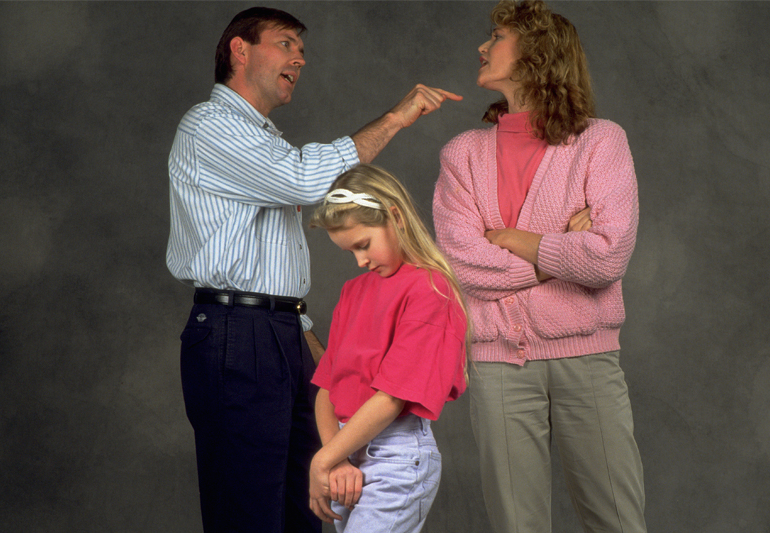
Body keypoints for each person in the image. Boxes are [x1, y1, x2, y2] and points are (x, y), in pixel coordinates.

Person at [166, 7, 461, 533]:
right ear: (240, 49)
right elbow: (306, 182)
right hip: (237, 334)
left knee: (306, 504)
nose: (299, 58)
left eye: (301, 49)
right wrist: (394, 119)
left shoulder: (263, 138)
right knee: (249, 510)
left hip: (279, 332)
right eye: (285, 43)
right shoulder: (210, 125)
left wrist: (304, 337)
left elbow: (270, 259)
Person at [432, 1, 647, 532]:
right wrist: (555, 256)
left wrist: (511, 238)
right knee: (516, 525)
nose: (482, 46)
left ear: (538, 54)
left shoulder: (601, 141)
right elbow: (464, 265)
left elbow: (608, 255)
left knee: (616, 521)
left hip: (589, 360)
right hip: (498, 364)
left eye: (497, 36)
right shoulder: (461, 154)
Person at [307, 164, 468, 533]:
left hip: (395, 454)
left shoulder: (431, 289)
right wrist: (338, 459)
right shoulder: (353, 291)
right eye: (350, 252)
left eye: (363, 245)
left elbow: (392, 398)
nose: (360, 261)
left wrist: (322, 460)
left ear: (395, 216)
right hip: (345, 451)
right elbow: (327, 387)